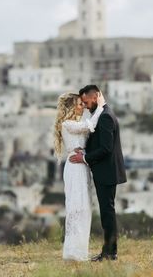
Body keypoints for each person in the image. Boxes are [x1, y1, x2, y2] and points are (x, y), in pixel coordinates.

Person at [69, 84, 127, 261]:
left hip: (107, 172)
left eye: (86, 102)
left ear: (94, 97)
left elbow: (106, 148)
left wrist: (84, 158)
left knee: (107, 213)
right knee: (106, 212)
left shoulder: (105, 117)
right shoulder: (102, 114)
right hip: (106, 171)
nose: (85, 105)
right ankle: (108, 251)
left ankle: (110, 252)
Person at [54, 91, 105, 260]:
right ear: (71, 107)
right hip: (75, 166)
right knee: (76, 207)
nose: (82, 106)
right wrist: (101, 107)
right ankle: (73, 252)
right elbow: (89, 126)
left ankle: (79, 250)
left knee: (84, 207)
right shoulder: (67, 124)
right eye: (79, 104)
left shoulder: (76, 122)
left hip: (82, 165)